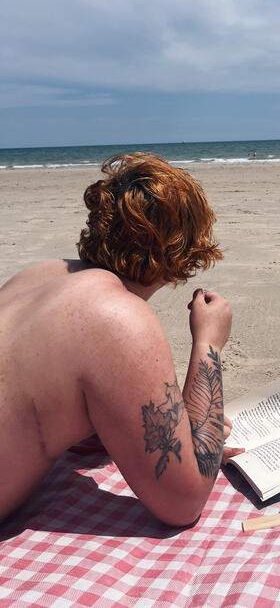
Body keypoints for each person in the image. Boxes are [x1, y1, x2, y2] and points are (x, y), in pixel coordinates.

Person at [0, 153, 243, 526]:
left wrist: (190, 428)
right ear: (185, 252)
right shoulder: (116, 317)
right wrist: (208, 343)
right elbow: (183, 503)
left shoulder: (38, 276)